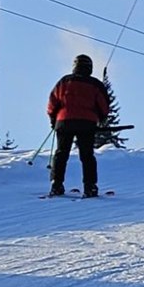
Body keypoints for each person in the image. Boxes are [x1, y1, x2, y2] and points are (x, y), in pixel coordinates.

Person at [46, 53, 112, 197]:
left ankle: (56, 185)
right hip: (87, 123)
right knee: (87, 155)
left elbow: (52, 102)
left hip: (64, 122)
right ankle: (90, 187)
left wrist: (53, 119)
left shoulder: (64, 81)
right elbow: (104, 106)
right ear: (90, 68)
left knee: (61, 154)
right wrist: (101, 118)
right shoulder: (95, 84)